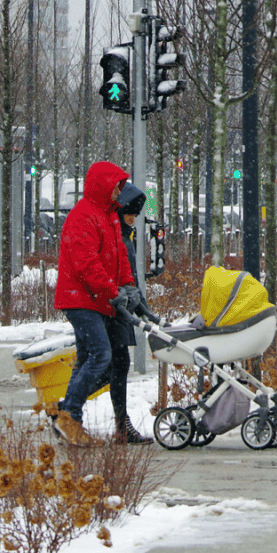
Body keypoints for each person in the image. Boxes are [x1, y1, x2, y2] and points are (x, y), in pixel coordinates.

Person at [51, 161, 142, 446]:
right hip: (80, 299)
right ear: (103, 185)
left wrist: (128, 284)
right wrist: (111, 289)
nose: (119, 191)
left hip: (97, 299)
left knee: (87, 360)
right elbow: (86, 264)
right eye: (116, 185)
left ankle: (66, 419)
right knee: (101, 356)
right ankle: (69, 416)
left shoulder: (109, 216)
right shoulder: (83, 217)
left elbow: (120, 256)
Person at [110, 181, 154, 445]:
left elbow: (130, 274)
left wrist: (139, 301)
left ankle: (121, 424)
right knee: (112, 365)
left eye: (136, 214)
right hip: (116, 305)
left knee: (116, 365)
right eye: (129, 211)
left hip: (123, 304)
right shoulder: (119, 237)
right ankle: (67, 407)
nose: (133, 217)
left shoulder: (125, 236)